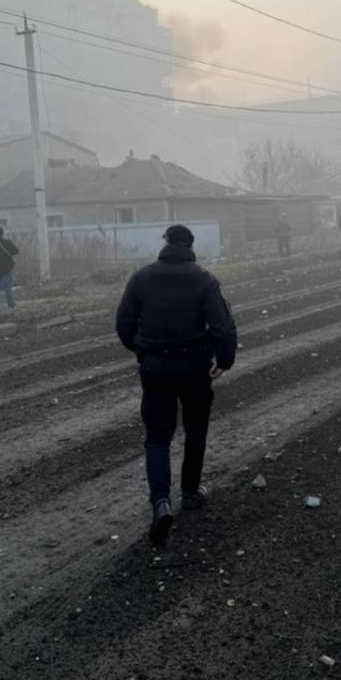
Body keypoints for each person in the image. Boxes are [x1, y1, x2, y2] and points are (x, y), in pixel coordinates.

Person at [115, 224, 237, 545]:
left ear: (165, 244)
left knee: (157, 437)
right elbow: (223, 326)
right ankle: (190, 492)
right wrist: (222, 361)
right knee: (195, 429)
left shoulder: (141, 278)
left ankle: (160, 503)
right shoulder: (204, 280)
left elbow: (123, 323)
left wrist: (142, 350)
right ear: (190, 246)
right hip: (195, 366)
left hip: (155, 367)